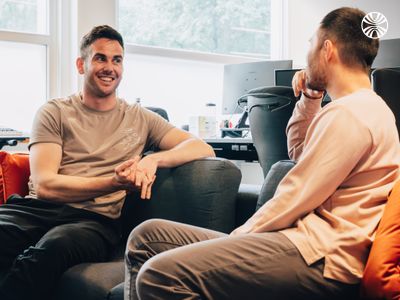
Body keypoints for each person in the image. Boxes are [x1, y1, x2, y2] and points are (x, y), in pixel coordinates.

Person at [124, 7, 400, 300]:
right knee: (147, 237)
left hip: (322, 254)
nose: (307, 55)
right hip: (305, 242)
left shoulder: (352, 114)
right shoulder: (357, 109)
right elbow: (299, 151)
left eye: (311, 44)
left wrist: (237, 239)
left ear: (327, 50)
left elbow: (296, 195)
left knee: (159, 275)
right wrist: (310, 97)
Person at [0, 25, 214, 300]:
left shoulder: (141, 118)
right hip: (37, 209)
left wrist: (154, 161)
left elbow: (201, 146)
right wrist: (114, 183)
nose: (109, 67)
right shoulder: (55, 112)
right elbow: (45, 186)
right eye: (100, 58)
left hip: (94, 222)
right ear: (81, 65)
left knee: (53, 248)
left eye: (117, 60)